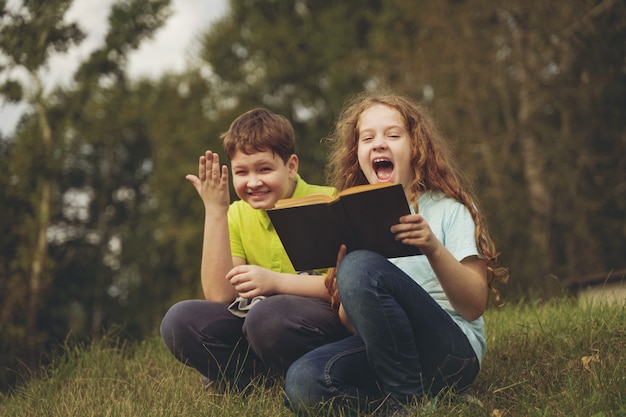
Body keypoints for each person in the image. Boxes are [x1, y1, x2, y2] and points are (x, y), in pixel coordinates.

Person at [284, 92, 508, 415]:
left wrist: (432, 247)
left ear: (416, 146)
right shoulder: (356, 222)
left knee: (361, 266)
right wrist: (346, 277)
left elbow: (474, 306)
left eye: (393, 134)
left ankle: (408, 400)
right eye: (367, 138)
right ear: (356, 152)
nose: (378, 144)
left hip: (451, 352)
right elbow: (351, 325)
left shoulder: (449, 209)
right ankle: (410, 405)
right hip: (387, 355)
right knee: (302, 382)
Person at [160, 108, 349, 392]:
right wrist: (215, 211)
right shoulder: (236, 214)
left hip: (314, 323)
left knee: (268, 317)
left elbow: (344, 289)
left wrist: (274, 282)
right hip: (257, 321)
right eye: (241, 172)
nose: (253, 182)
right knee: (179, 321)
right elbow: (220, 296)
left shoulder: (327, 202)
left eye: (264, 169)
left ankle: (302, 376)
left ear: (292, 166)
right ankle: (255, 382)